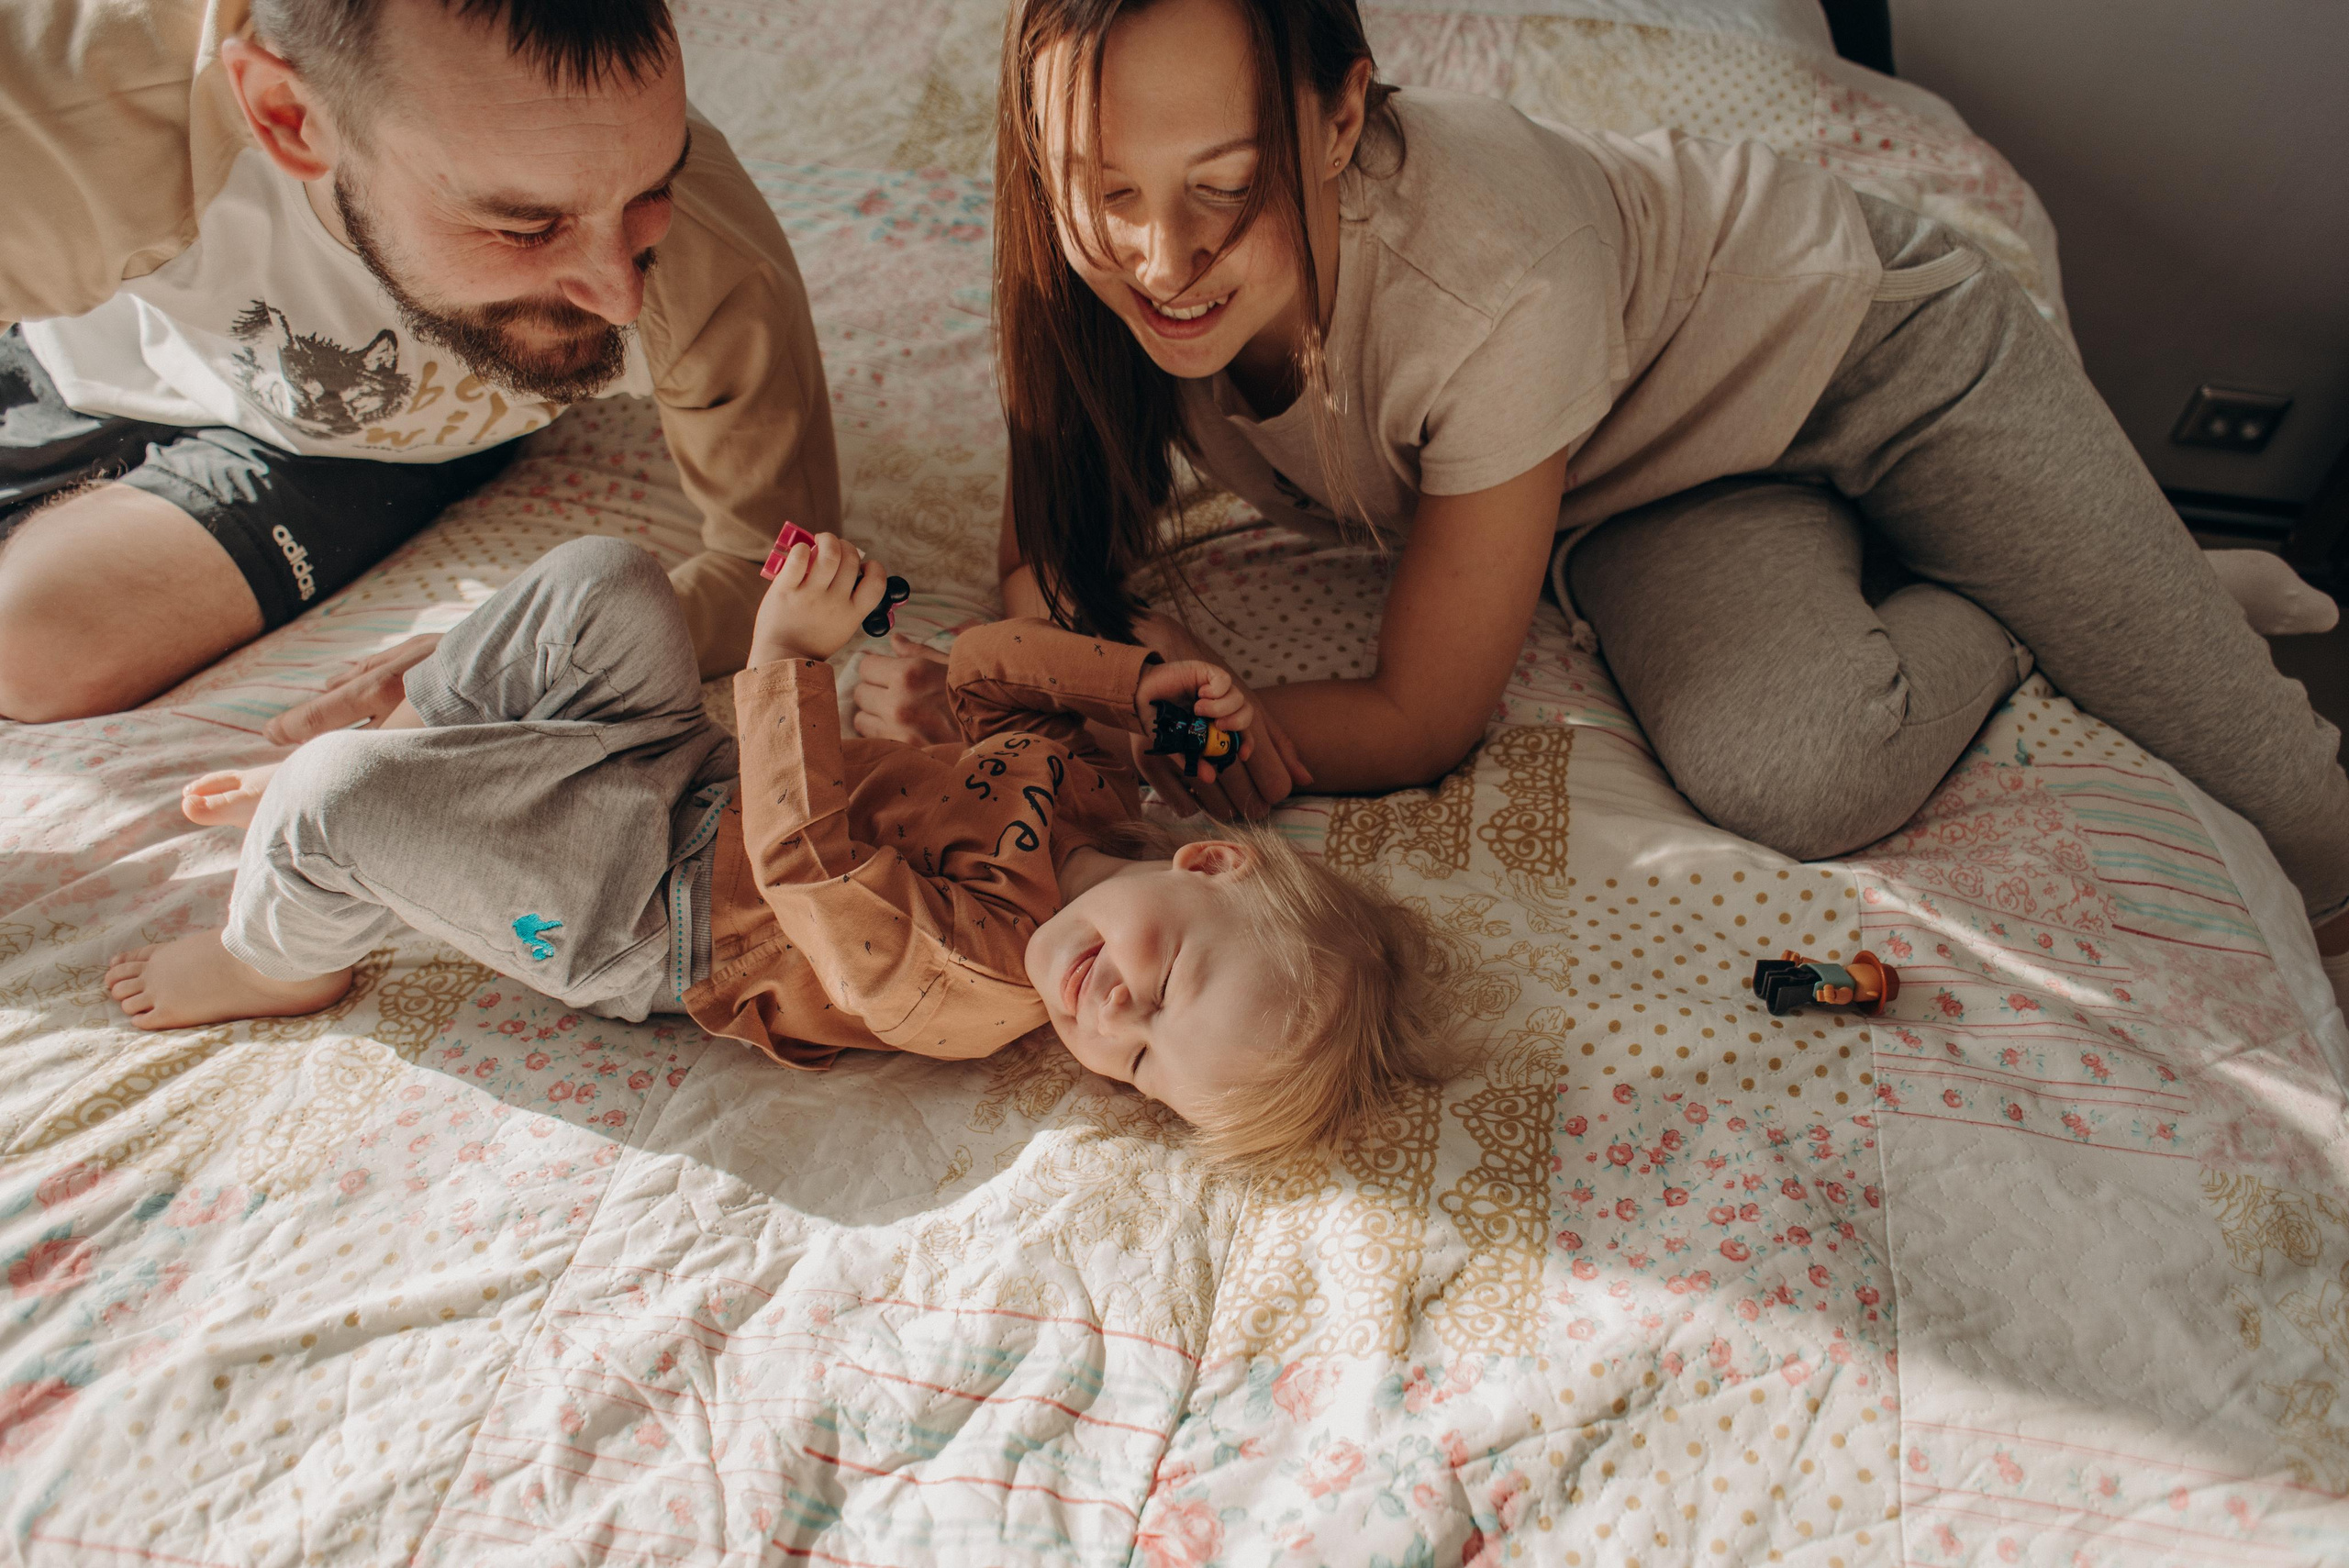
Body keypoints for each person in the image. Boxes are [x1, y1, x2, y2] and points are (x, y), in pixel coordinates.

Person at [851, 0, 2349, 1009]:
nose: (1158, 258)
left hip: (1862, 350)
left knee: (2299, 813)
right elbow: (1048, 569)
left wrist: (1187, 713)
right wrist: (1137, 675)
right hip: (1628, 477)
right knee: (1802, 772)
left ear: (1337, 117)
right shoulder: (1087, 257)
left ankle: (2077, 583)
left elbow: (1427, 710)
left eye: (1220, 188)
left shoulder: (1485, 273)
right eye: (1102, 189)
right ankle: (2051, 584)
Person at [105, 533, 1446, 1166]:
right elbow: (987, 678)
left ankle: (277, 951)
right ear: (1210, 865)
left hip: (639, 908)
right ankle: (446, 752)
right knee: (607, 584)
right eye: (1176, 989)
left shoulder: (974, 983)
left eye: (1142, 1065)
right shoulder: (1101, 802)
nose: (1114, 1016)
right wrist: (1133, 683)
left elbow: (806, 869)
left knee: (334, 799)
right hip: (687, 766)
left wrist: (787, 658)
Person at [0, 0, 838, 722]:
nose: (621, 297)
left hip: (340, 449)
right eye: (524, 226)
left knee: (32, 645)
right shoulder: (59, 121)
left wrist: (522, 657)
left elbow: (778, 571)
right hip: (56, 348)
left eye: (651, 188)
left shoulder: (708, 254)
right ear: (288, 116)